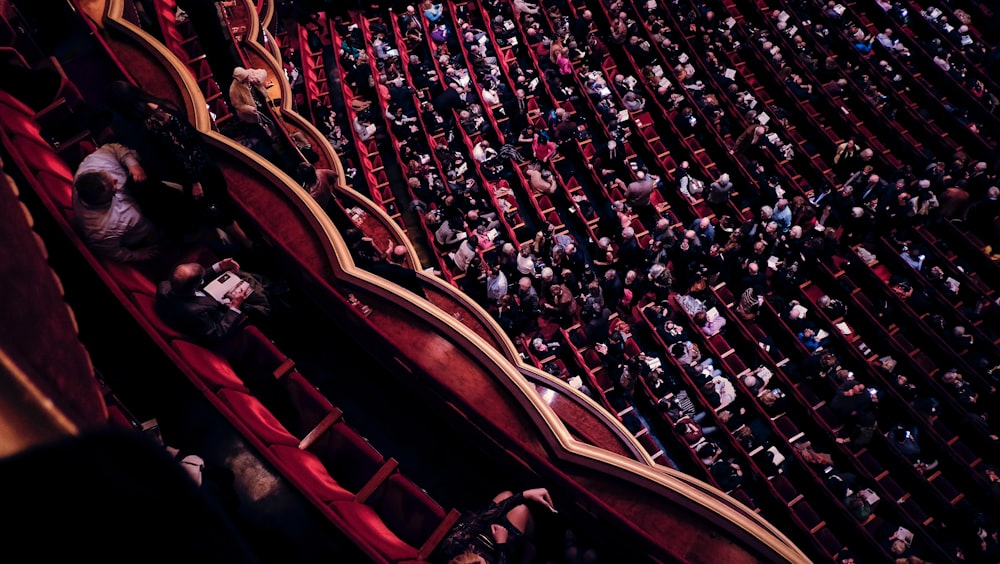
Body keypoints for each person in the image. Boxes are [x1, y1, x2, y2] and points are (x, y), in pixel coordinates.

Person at [106, 80, 254, 250]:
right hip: (204, 161)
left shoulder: (151, 121)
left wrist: (194, 182)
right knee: (222, 202)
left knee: (214, 208)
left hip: (196, 173)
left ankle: (247, 243)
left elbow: (178, 149)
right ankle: (250, 237)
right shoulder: (161, 105)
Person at [72, 142, 164, 262]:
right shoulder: (99, 230)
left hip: (144, 185)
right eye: (113, 187)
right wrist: (137, 255)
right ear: (101, 200)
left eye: (111, 178)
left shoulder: (96, 163)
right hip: (152, 227)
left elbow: (113, 148)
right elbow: (113, 252)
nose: (116, 181)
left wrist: (133, 164)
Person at [155, 257, 273, 347]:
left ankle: (270, 285)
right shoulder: (196, 314)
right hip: (228, 321)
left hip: (210, 302)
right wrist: (235, 307)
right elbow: (218, 333)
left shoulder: (164, 287)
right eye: (201, 280)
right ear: (196, 286)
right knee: (262, 303)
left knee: (247, 278)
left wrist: (219, 266)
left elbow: (190, 282)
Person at [437, 488, 555, 563]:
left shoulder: (451, 548)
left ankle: (535, 542)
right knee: (521, 510)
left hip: (480, 532)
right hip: (500, 549)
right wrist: (501, 543)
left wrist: (524, 495)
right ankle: (539, 542)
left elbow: (480, 521)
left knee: (506, 494)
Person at [229, 66, 276, 140]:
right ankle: (271, 140)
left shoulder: (249, 72)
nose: (248, 79)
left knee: (272, 118)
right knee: (262, 128)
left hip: (261, 102)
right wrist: (249, 109)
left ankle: (276, 134)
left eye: (247, 77)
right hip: (252, 111)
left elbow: (264, 72)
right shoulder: (233, 89)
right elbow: (237, 105)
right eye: (245, 79)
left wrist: (258, 79)